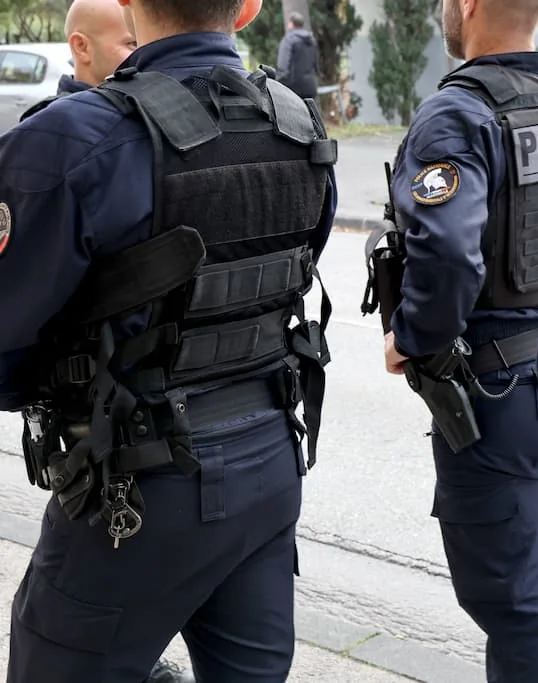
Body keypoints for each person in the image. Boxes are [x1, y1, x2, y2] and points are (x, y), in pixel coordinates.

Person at [0, 0, 337, 680]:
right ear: (248, 9)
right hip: (270, 462)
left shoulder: (76, 137)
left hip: (140, 489)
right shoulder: (298, 124)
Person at [377, 0, 538, 680]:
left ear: (469, 5)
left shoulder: (457, 117)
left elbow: (449, 255)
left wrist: (414, 336)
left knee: (511, 600)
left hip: (495, 397)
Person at [19, 0, 137, 121]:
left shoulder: (136, 105)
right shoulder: (53, 123)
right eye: (133, 44)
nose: (144, 52)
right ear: (81, 47)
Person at [276, 12, 318, 100]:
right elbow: (316, 65)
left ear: (291, 23)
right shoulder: (311, 40)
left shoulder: (289, 40)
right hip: (310, 86)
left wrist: (278, 82)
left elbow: (283, 65)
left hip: (294, 88)